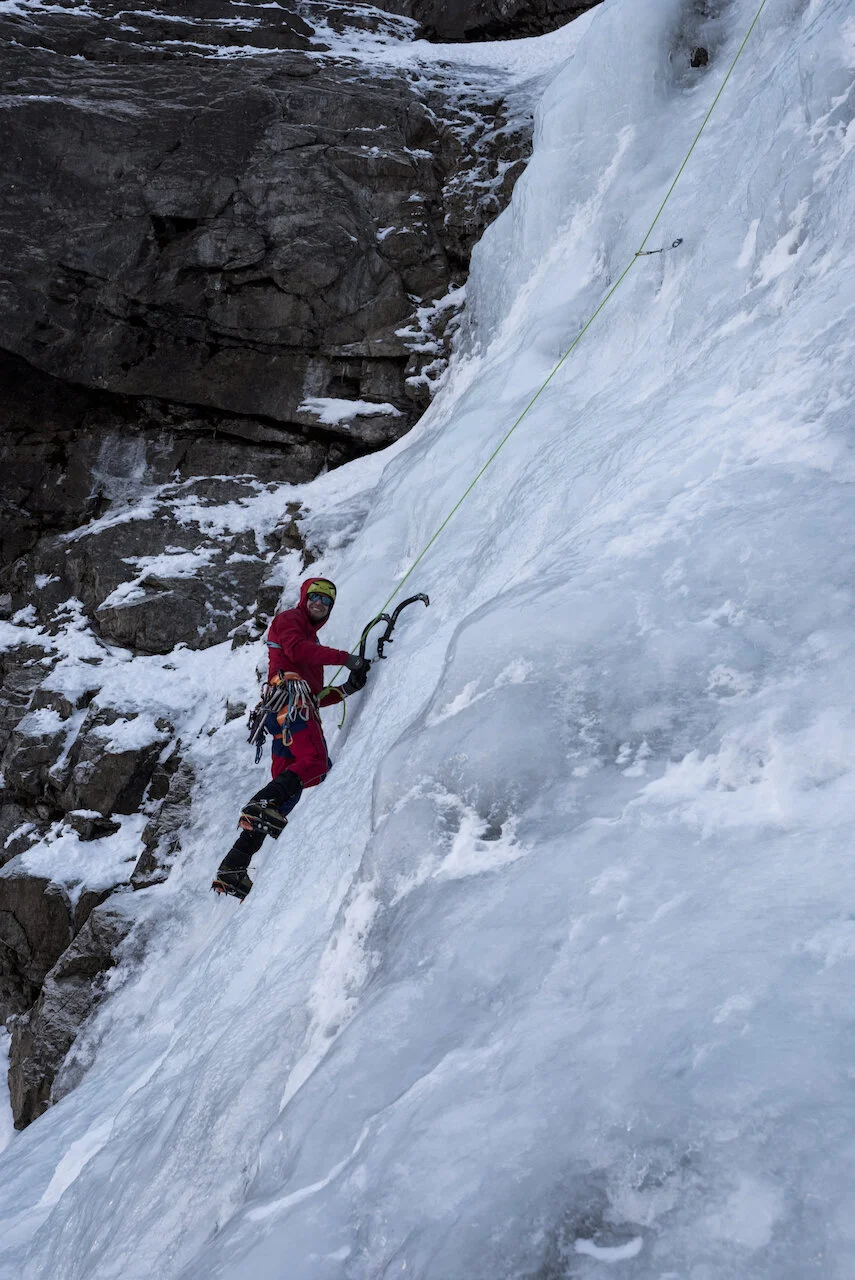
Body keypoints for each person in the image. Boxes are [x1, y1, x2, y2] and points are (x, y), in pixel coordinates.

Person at [212, 577, 370, 900]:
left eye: (326, 602)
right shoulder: (289, 622)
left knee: (284, 793)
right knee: (315, 763)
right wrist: (346, 659)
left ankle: (233, 868)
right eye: (314, 597)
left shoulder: (307, 636)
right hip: (290, 702)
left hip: (287, 707)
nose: (319, 604)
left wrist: (346, 689)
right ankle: (259, 805)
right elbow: (298, 652)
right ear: (304, 597)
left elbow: (315, 695)